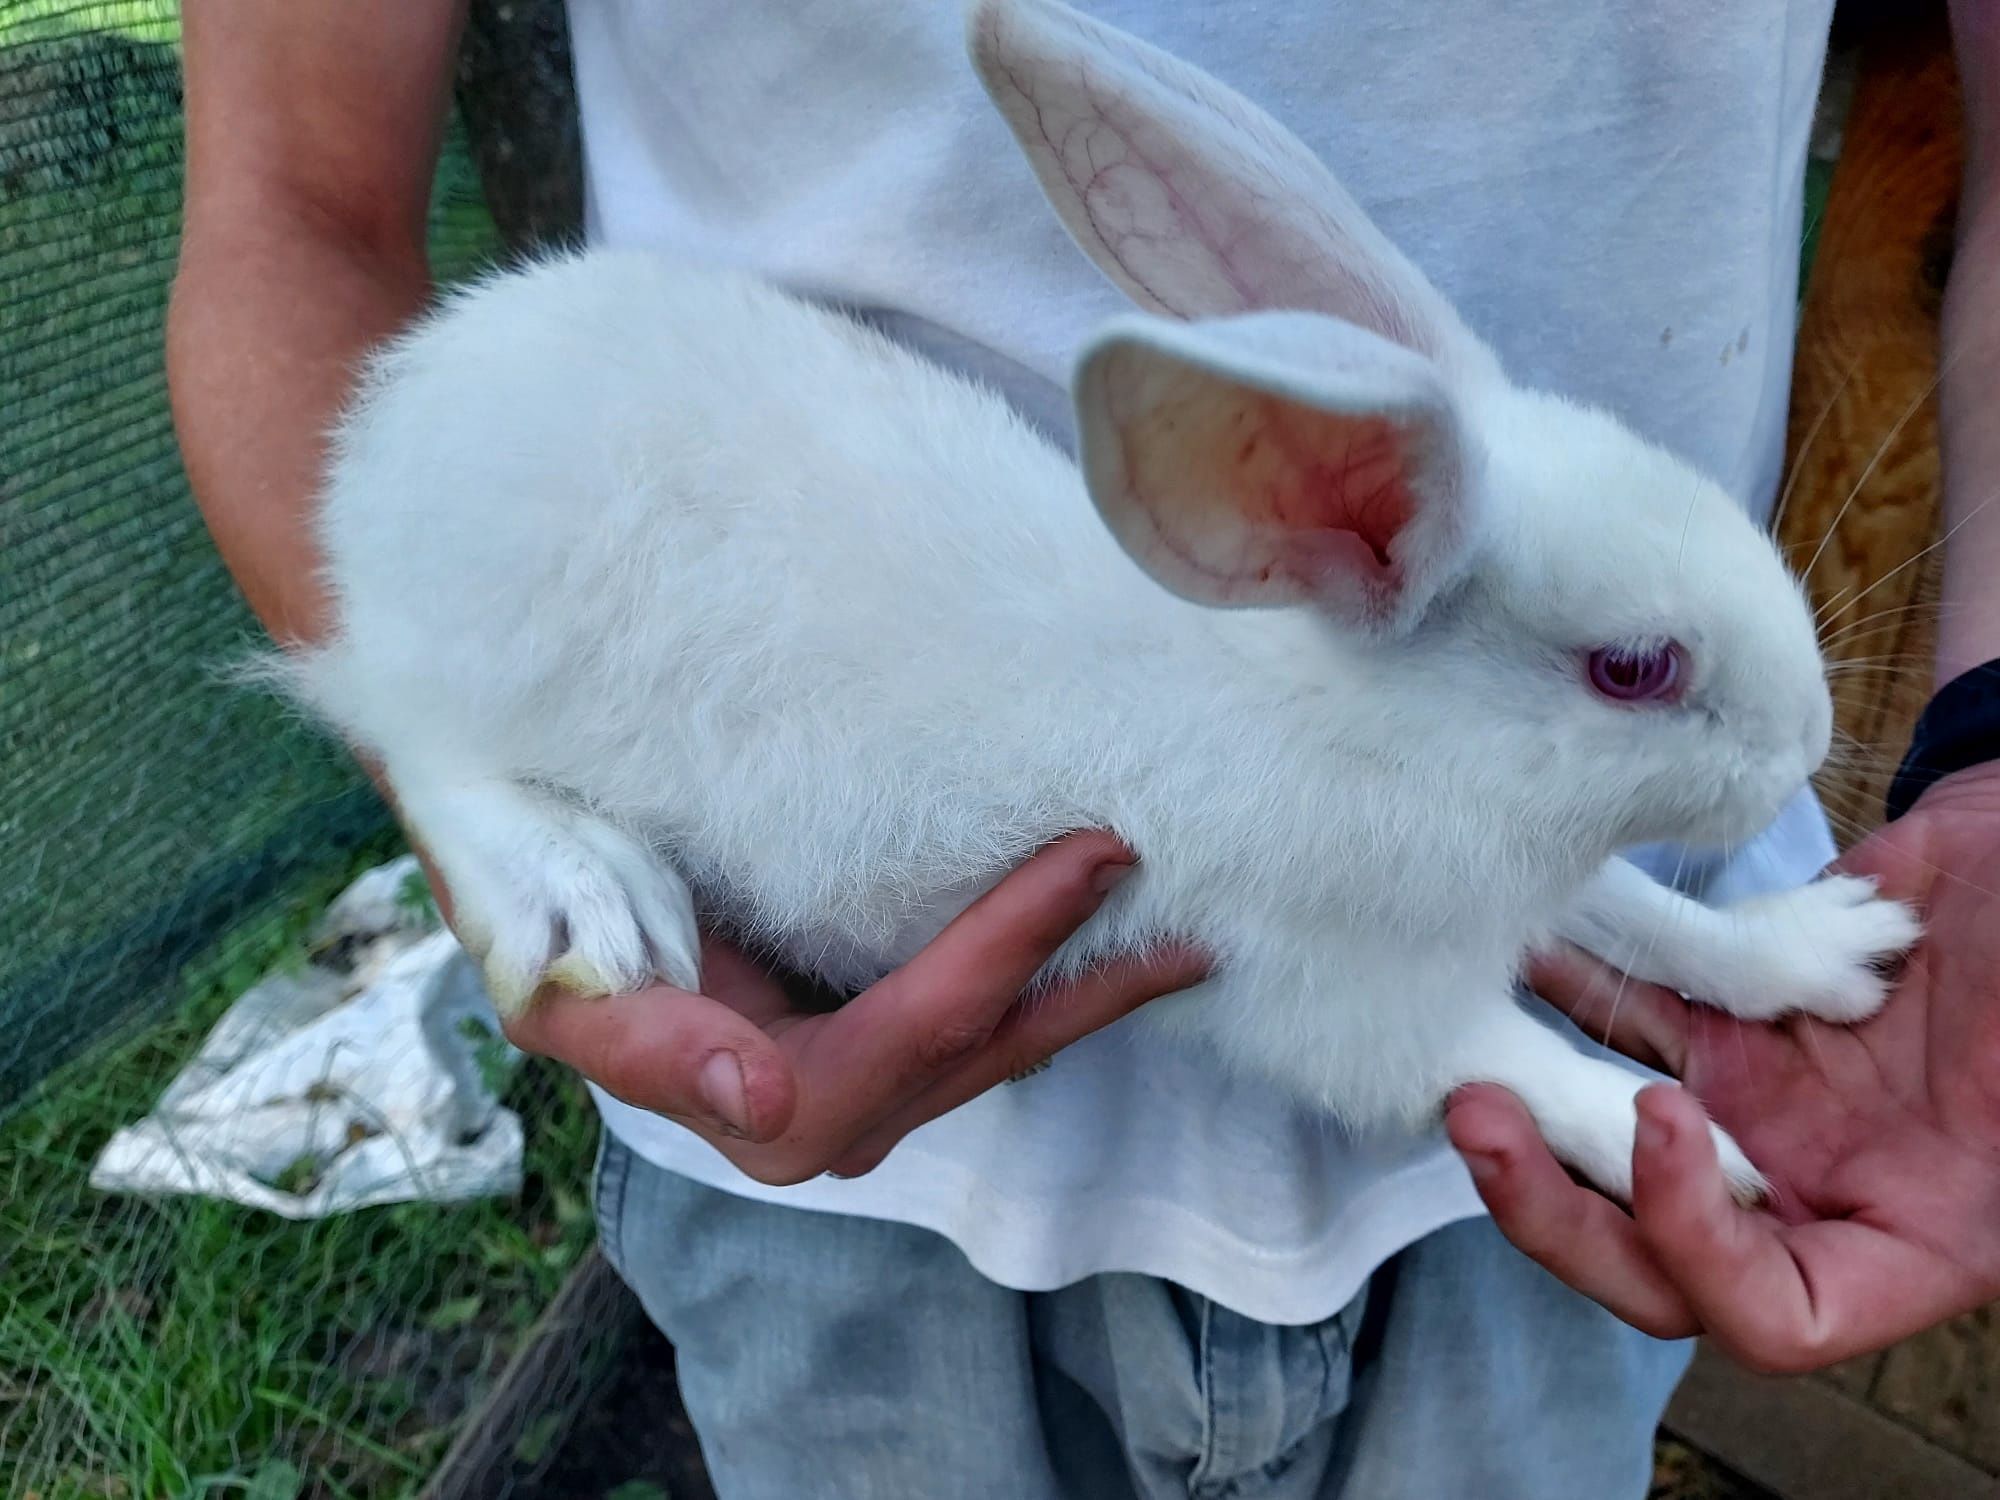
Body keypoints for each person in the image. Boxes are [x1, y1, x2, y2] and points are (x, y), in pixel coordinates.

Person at [169, 2, 2000, 1494]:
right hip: (847, 1187)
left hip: (1502, 1278)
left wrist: (1758, 933)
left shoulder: (1418, 732)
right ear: (1334, 526)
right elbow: (1370, 1016)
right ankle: (505, 777)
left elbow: (1503, 865)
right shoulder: (1294, 723)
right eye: (1632, 677)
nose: (1782, 744)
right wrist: (1628, 1104)